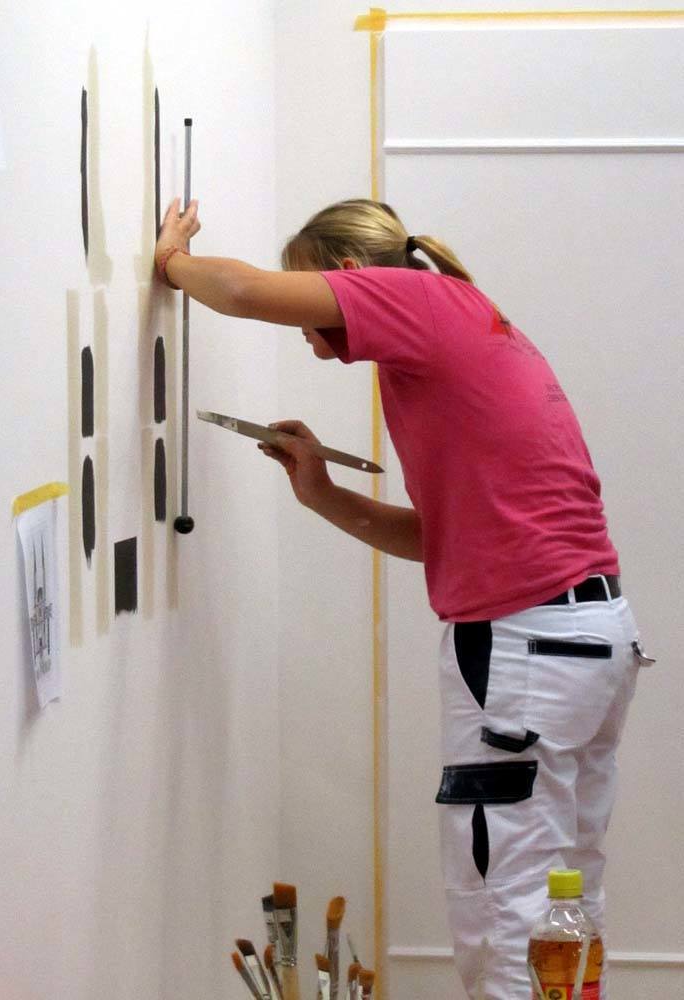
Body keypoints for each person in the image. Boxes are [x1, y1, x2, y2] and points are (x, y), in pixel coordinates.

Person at [155, 196, 650, 999]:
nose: (307, 336)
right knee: (562, 906)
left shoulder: (420, 299)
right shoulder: (458, 330)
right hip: (586, 637)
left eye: (308, 304)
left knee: (505, 915)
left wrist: (172, 259)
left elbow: (240, 291)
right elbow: (446, 537)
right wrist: (322, 494)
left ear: (351, 276)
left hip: (526, 648)